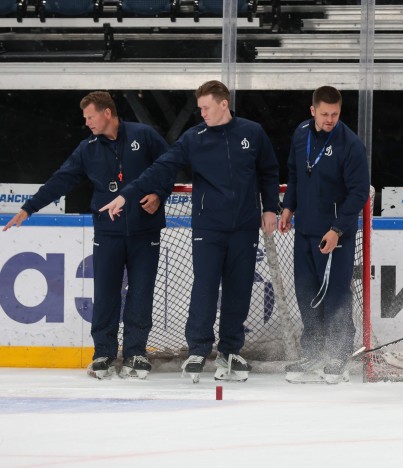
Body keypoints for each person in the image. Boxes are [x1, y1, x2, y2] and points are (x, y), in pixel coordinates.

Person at [100, 80, 280, 383]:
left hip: (244, 227)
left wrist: (270, 207)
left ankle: (231, 350)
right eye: (200, 108)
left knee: (239, 289)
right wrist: (125, 195)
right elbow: (158, 169)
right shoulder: (194, 138)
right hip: (208, 227)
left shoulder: (252, 132)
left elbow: (269, 171)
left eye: (206, 108)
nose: (202, 113)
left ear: (223, 104)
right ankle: (198, 349)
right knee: (205, 287)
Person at [2, 91, 171, 380]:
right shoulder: (87, 148)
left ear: (107, 113)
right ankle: (103, 353)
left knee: (141, 293)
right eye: (85, 118)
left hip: (146, 231)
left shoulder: (144, 135)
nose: (87, 122)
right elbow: (61, 180)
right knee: (105, 293)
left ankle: (136, 353)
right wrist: (29, 208)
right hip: (107, 232)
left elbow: (169, 165)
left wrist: (159, 193)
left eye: (90, 116)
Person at [278, 86, 370, 384]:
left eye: (335, 114)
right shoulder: (301, 133)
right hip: (304, 230)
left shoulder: (350, 144)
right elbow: (294, 173)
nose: (330, 119)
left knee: (335, 296)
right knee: (306, 293)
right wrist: (289, 206)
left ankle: (339, 355)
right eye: (325, 113)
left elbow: (358, 193)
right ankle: (314, 353)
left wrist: (337, 229)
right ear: (313, 111)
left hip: (335, 235)